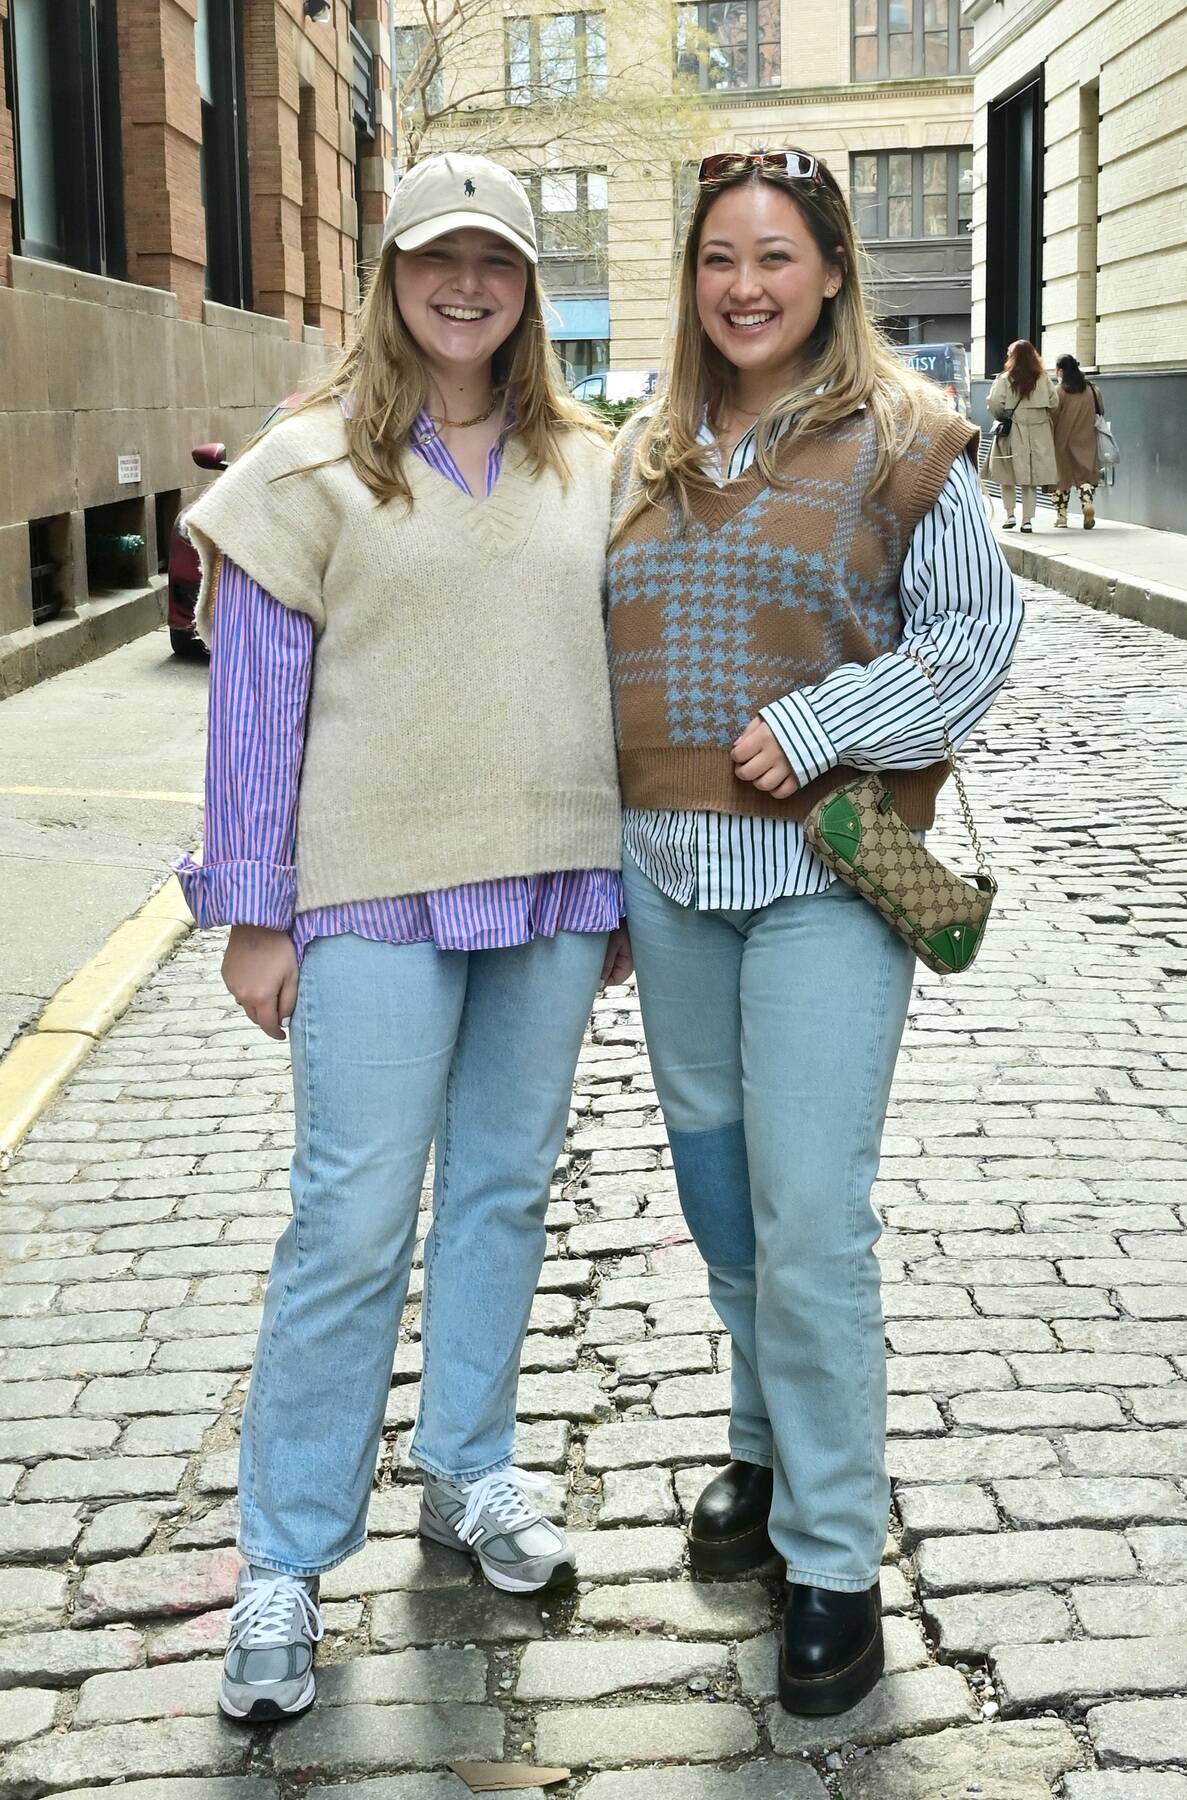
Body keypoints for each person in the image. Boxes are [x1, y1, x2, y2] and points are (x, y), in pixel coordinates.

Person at [177, 152, 631, 1724]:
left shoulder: (594, 468)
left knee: (504, 1191)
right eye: (437, 258)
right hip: (366, 888)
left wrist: (620, 886)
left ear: (526, 286)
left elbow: (620, 681)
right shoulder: (309, 468)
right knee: (353, 1219)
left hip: (555, 883)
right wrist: (251, 909)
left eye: (494, 261)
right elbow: (253, 703)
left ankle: (472, 1470)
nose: (466, 285)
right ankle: (287, 1561)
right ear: (389, 273)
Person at [607, 148, 1023, 1717]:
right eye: (720, 259)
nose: (747, 287)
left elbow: (978, 632)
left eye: (776, 257)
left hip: (827, 879)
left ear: (832, 270)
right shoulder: (643, 449)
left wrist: (832, 713)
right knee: (722, 1194)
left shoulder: (909, 441)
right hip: (669, 874)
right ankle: (765, 1445)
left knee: (811, 1208)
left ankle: (836, 1556)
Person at [986, 338, 1059, 532]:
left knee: (1006, 474)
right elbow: (1054, 402)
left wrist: (1004, 416)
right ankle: (1027, 520)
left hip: (1012, 432)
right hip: (1039, 431)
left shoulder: (1004, 379)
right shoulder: (1043, 378)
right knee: (1031, 478)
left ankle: (1010, 514)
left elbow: (994, 404)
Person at [1050, 353, 1103, 529]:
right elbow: (1100, 411)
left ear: (1061, 370)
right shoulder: (1092, 389)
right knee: (1085, 475)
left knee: (1061, 478)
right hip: (1087, 437)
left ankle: (1062, 517)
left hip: (1062, 440)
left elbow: (1053, 416)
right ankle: (1087, 503)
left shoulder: (1059, 392)